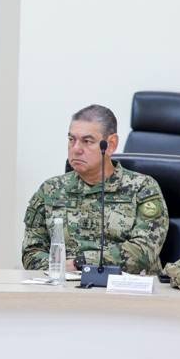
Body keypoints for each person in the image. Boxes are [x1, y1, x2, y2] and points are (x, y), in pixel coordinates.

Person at [21, 104, 168, 274]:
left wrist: (80, 263)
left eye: (87, 141)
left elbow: (143, 252)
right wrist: (61, 270)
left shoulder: (143, 188)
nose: (76, 149)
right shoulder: (50, 190)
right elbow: (31, 253)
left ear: (110, 145)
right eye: (71, 139)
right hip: (65, 286)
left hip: (125, 287)